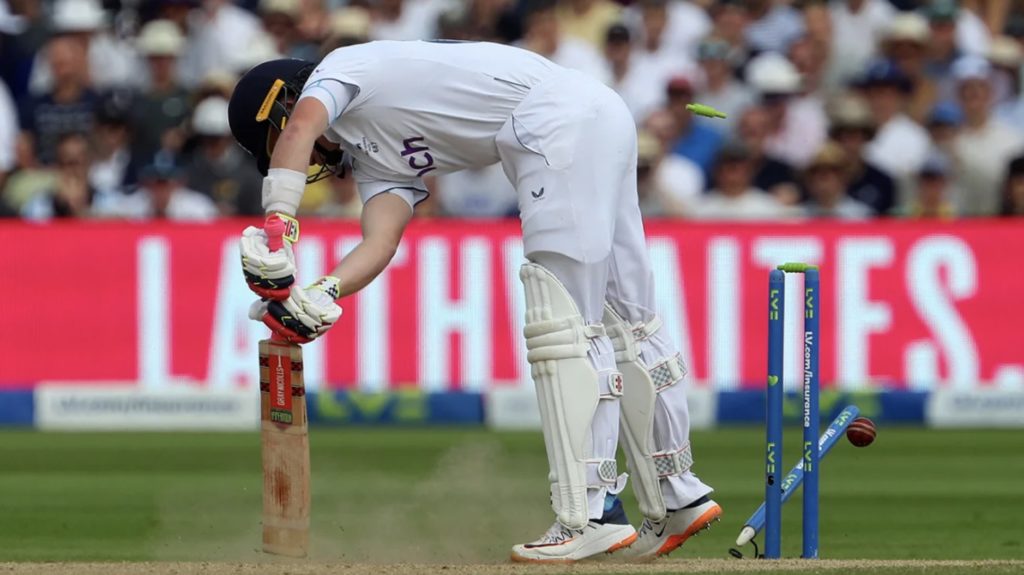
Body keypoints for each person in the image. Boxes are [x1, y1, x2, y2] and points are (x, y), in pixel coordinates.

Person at [228, 41, 720, 563]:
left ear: (280, 106)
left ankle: (588, 517)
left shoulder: (339, 71)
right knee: (630, 323)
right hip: (595, 116)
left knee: (565, 324)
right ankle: (676, 493)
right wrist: (322, 291)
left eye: (274, 143)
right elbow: (380, 241)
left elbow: (301, 127)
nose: (304, 163)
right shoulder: (371, 150)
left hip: (552, 126)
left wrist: (276, 229)